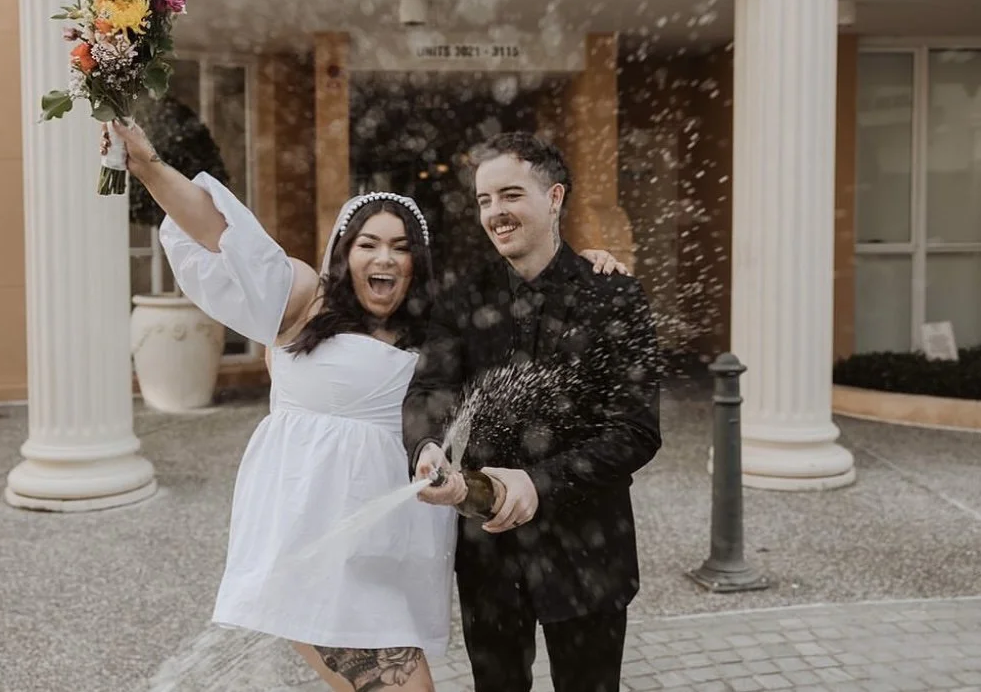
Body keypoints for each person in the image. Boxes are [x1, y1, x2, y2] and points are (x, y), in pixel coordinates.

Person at [107, 120, 628, 692]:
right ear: (344, 250)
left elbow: (518, 324)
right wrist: (148, 165)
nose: (385, 258)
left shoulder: (438, 326)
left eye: (402, 248)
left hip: (394, 548)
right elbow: (219, 232)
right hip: (314, 538)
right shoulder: (303, 299)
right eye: (369, 244)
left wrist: (579, 267)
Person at [405, 132, 662, 692]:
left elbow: (636, 431)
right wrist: (426, 448)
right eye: (484, 200)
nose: (495, 212)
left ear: (554, 198)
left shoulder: (614, 296)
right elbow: (429, 389)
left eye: (511, 194)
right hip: (489, 557)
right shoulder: (462, 297)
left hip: (589, 551)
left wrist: (539, 482)